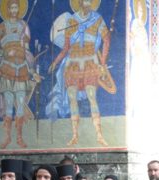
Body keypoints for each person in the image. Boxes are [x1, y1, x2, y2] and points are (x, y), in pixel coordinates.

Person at [48, 0, 112, 147]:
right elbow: (66, 48)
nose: (87, 3)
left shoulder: (97, 19)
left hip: (90, 63)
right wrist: (55, 62)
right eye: (85, 1)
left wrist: (102, 63)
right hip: (73, 65)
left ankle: (99, 135)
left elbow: (107, 40)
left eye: (90, 1)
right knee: (72, 99)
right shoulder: (71, 21)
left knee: (92, 97)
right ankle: (75, 135)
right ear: (80, 2)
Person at [0, 0, 37, 149]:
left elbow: (27, 50)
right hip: (7, 70)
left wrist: (32, 69)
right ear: (8, 10)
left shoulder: (23, 26)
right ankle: (7, 138)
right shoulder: (1, 27)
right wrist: (5, 53)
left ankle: (19, 138)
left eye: (16, 7)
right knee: (9, 106)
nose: (14, 10)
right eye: (12, 8)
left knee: (20, 106)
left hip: (21, 70)